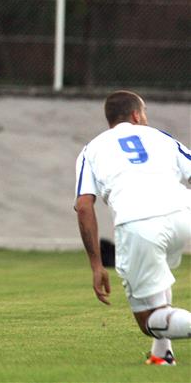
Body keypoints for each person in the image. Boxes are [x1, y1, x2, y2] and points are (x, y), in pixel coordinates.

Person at [75, 90, 191, 365]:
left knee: (148, 321)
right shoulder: (161, 137)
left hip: (138, 222)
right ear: (137, 115)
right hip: (183, 212)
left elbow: (83, 206)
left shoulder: (92, 149)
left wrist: (96, 265)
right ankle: (161, 355)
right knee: (157, 274)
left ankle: (160, 346)